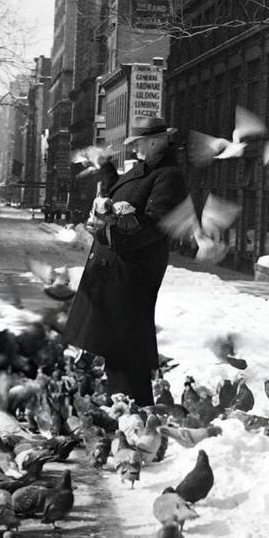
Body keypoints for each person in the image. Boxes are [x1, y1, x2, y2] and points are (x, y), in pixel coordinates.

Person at [63, 116, 189, 407]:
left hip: (132, 273)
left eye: (139, 143)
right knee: (113, 343)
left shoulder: (168, 176)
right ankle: (124, 405)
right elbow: (118, 190)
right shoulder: (144, 170)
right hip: (115, 269)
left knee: (124, 344)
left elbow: (156, 225)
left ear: (157, 141)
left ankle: (134, 407)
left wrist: (112, 228)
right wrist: (105, 166)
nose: (134, 149)